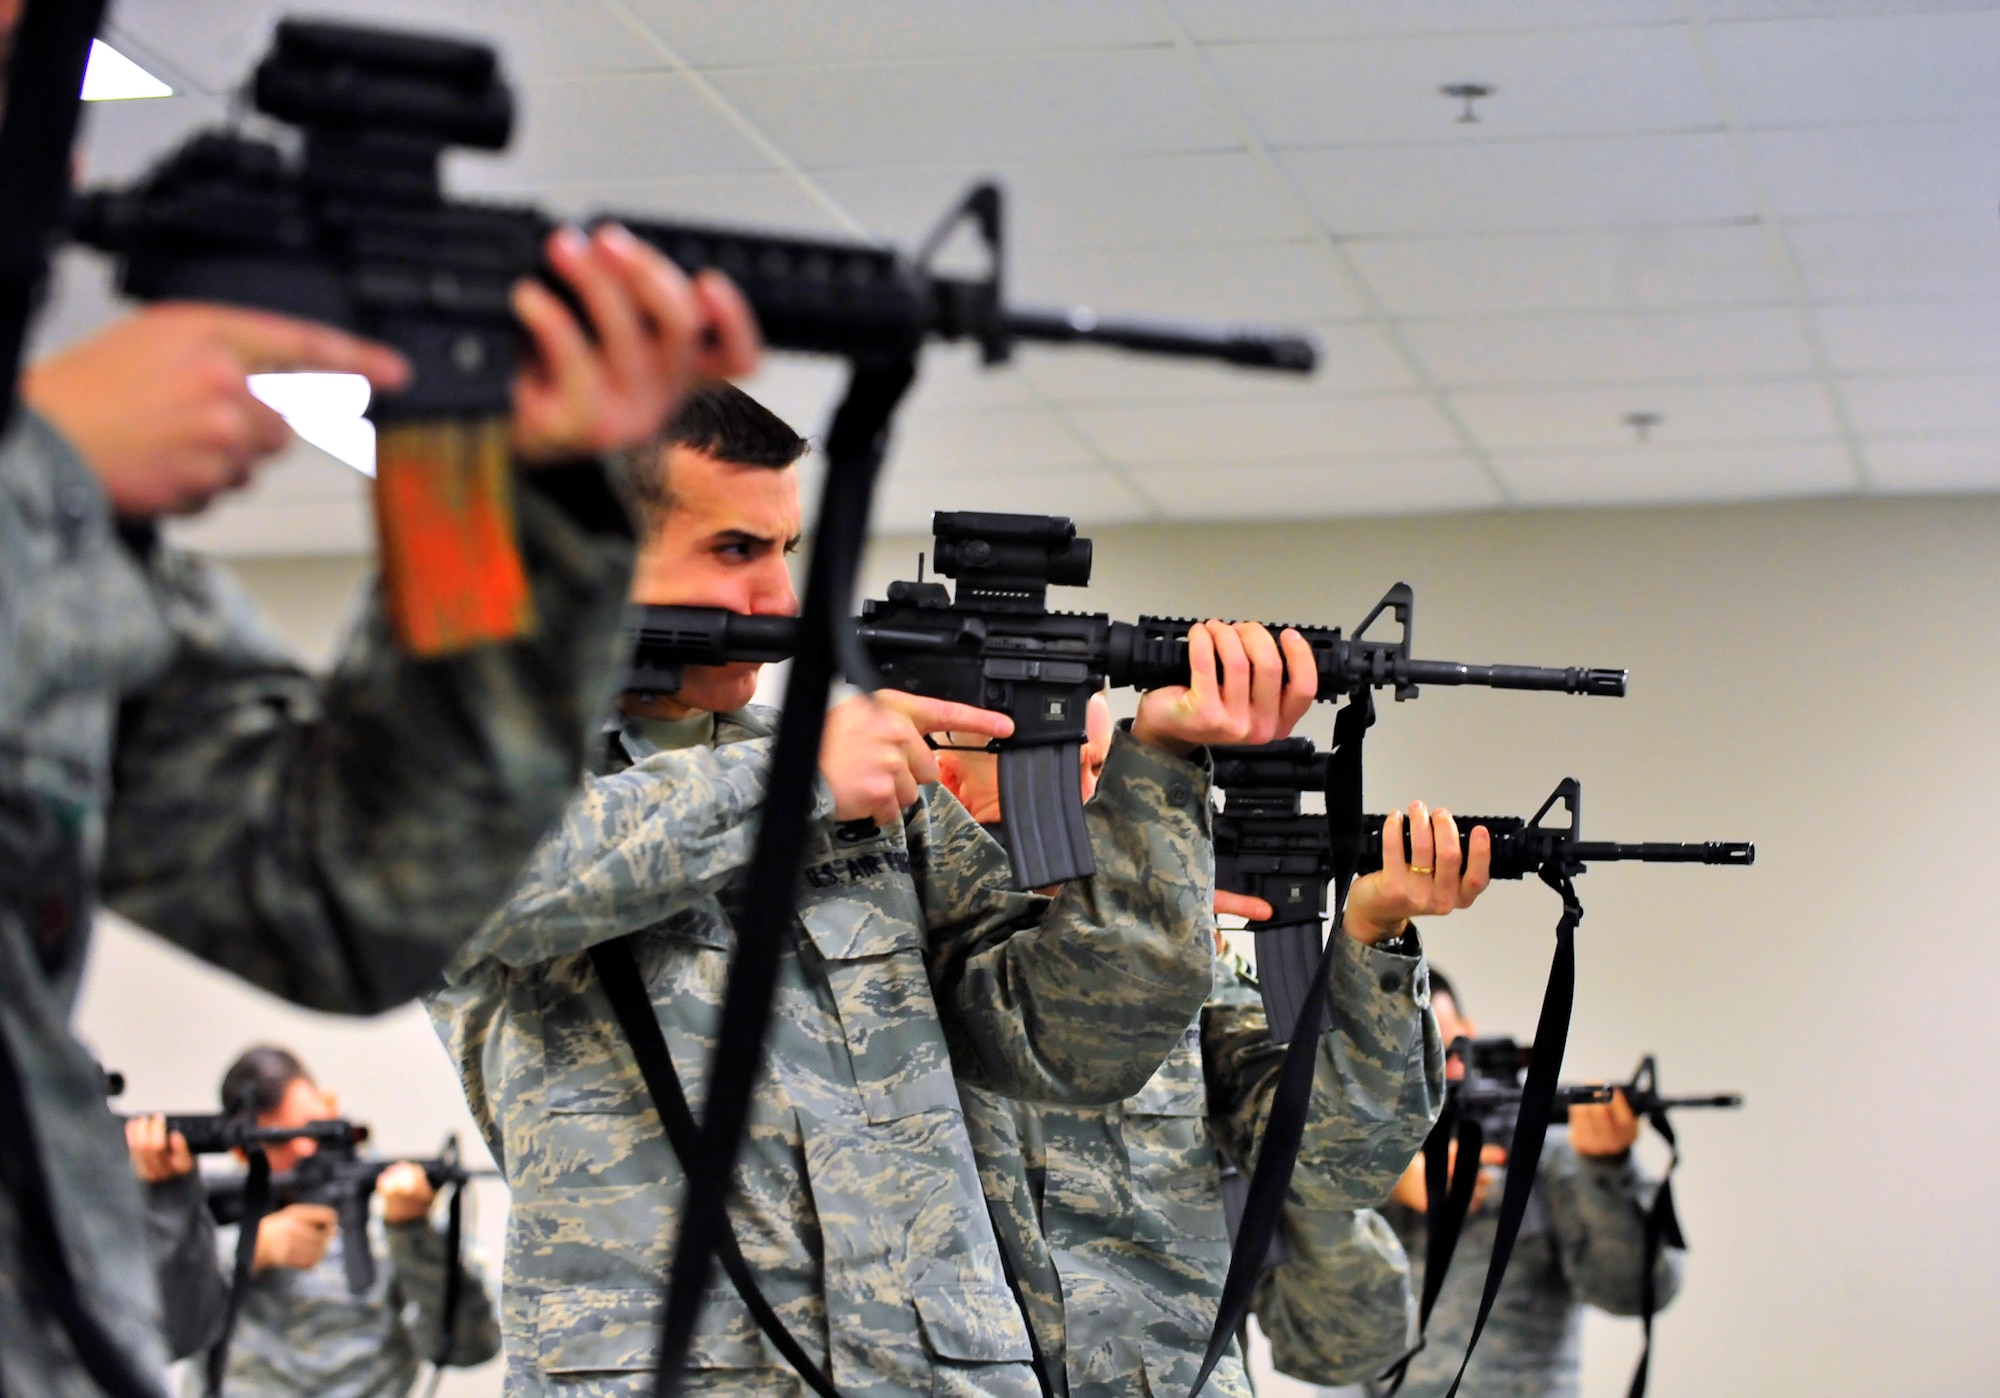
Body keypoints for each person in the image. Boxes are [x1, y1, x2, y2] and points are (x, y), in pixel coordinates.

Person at [0, 31, 764, 1381]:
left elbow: (352, 889)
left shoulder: (87, 552)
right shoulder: (46, 503)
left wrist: (514, 487)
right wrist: (43, 475)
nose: (57, 153)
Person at [425, 383, 1318, 1396]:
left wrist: (1158, 769)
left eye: (782, 552)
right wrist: (796, 773)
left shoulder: (873, 785)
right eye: (732, 551)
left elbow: (1066, 1044)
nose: (777, 599)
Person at [936, 704, 1486, 1397]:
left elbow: (1334, 1155)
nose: (1110, 798)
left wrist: (1375, 930)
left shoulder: (1192, 979)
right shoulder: (897, 957)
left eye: (1111, 767)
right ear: (946, 783)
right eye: (1063, 767)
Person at [1366, 971, 1685, 1398]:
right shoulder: (1341, 1154)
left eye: (1443, 1050)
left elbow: (1638, 1291)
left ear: (1468, 1035)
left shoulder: (1547, 1153)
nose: (1431, 1074)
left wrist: (1607, 1171)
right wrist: (1390, 1178)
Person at [126, 1046, 501, 1397]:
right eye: (280, 1139)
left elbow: (471, 1347)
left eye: (312, 1126)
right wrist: (252, 1249)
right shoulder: (201, 1216)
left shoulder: (390, 1203)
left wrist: (412, 1234)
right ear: (242, 1150)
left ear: (330, 1104)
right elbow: (152, 1332)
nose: (305, 1148)